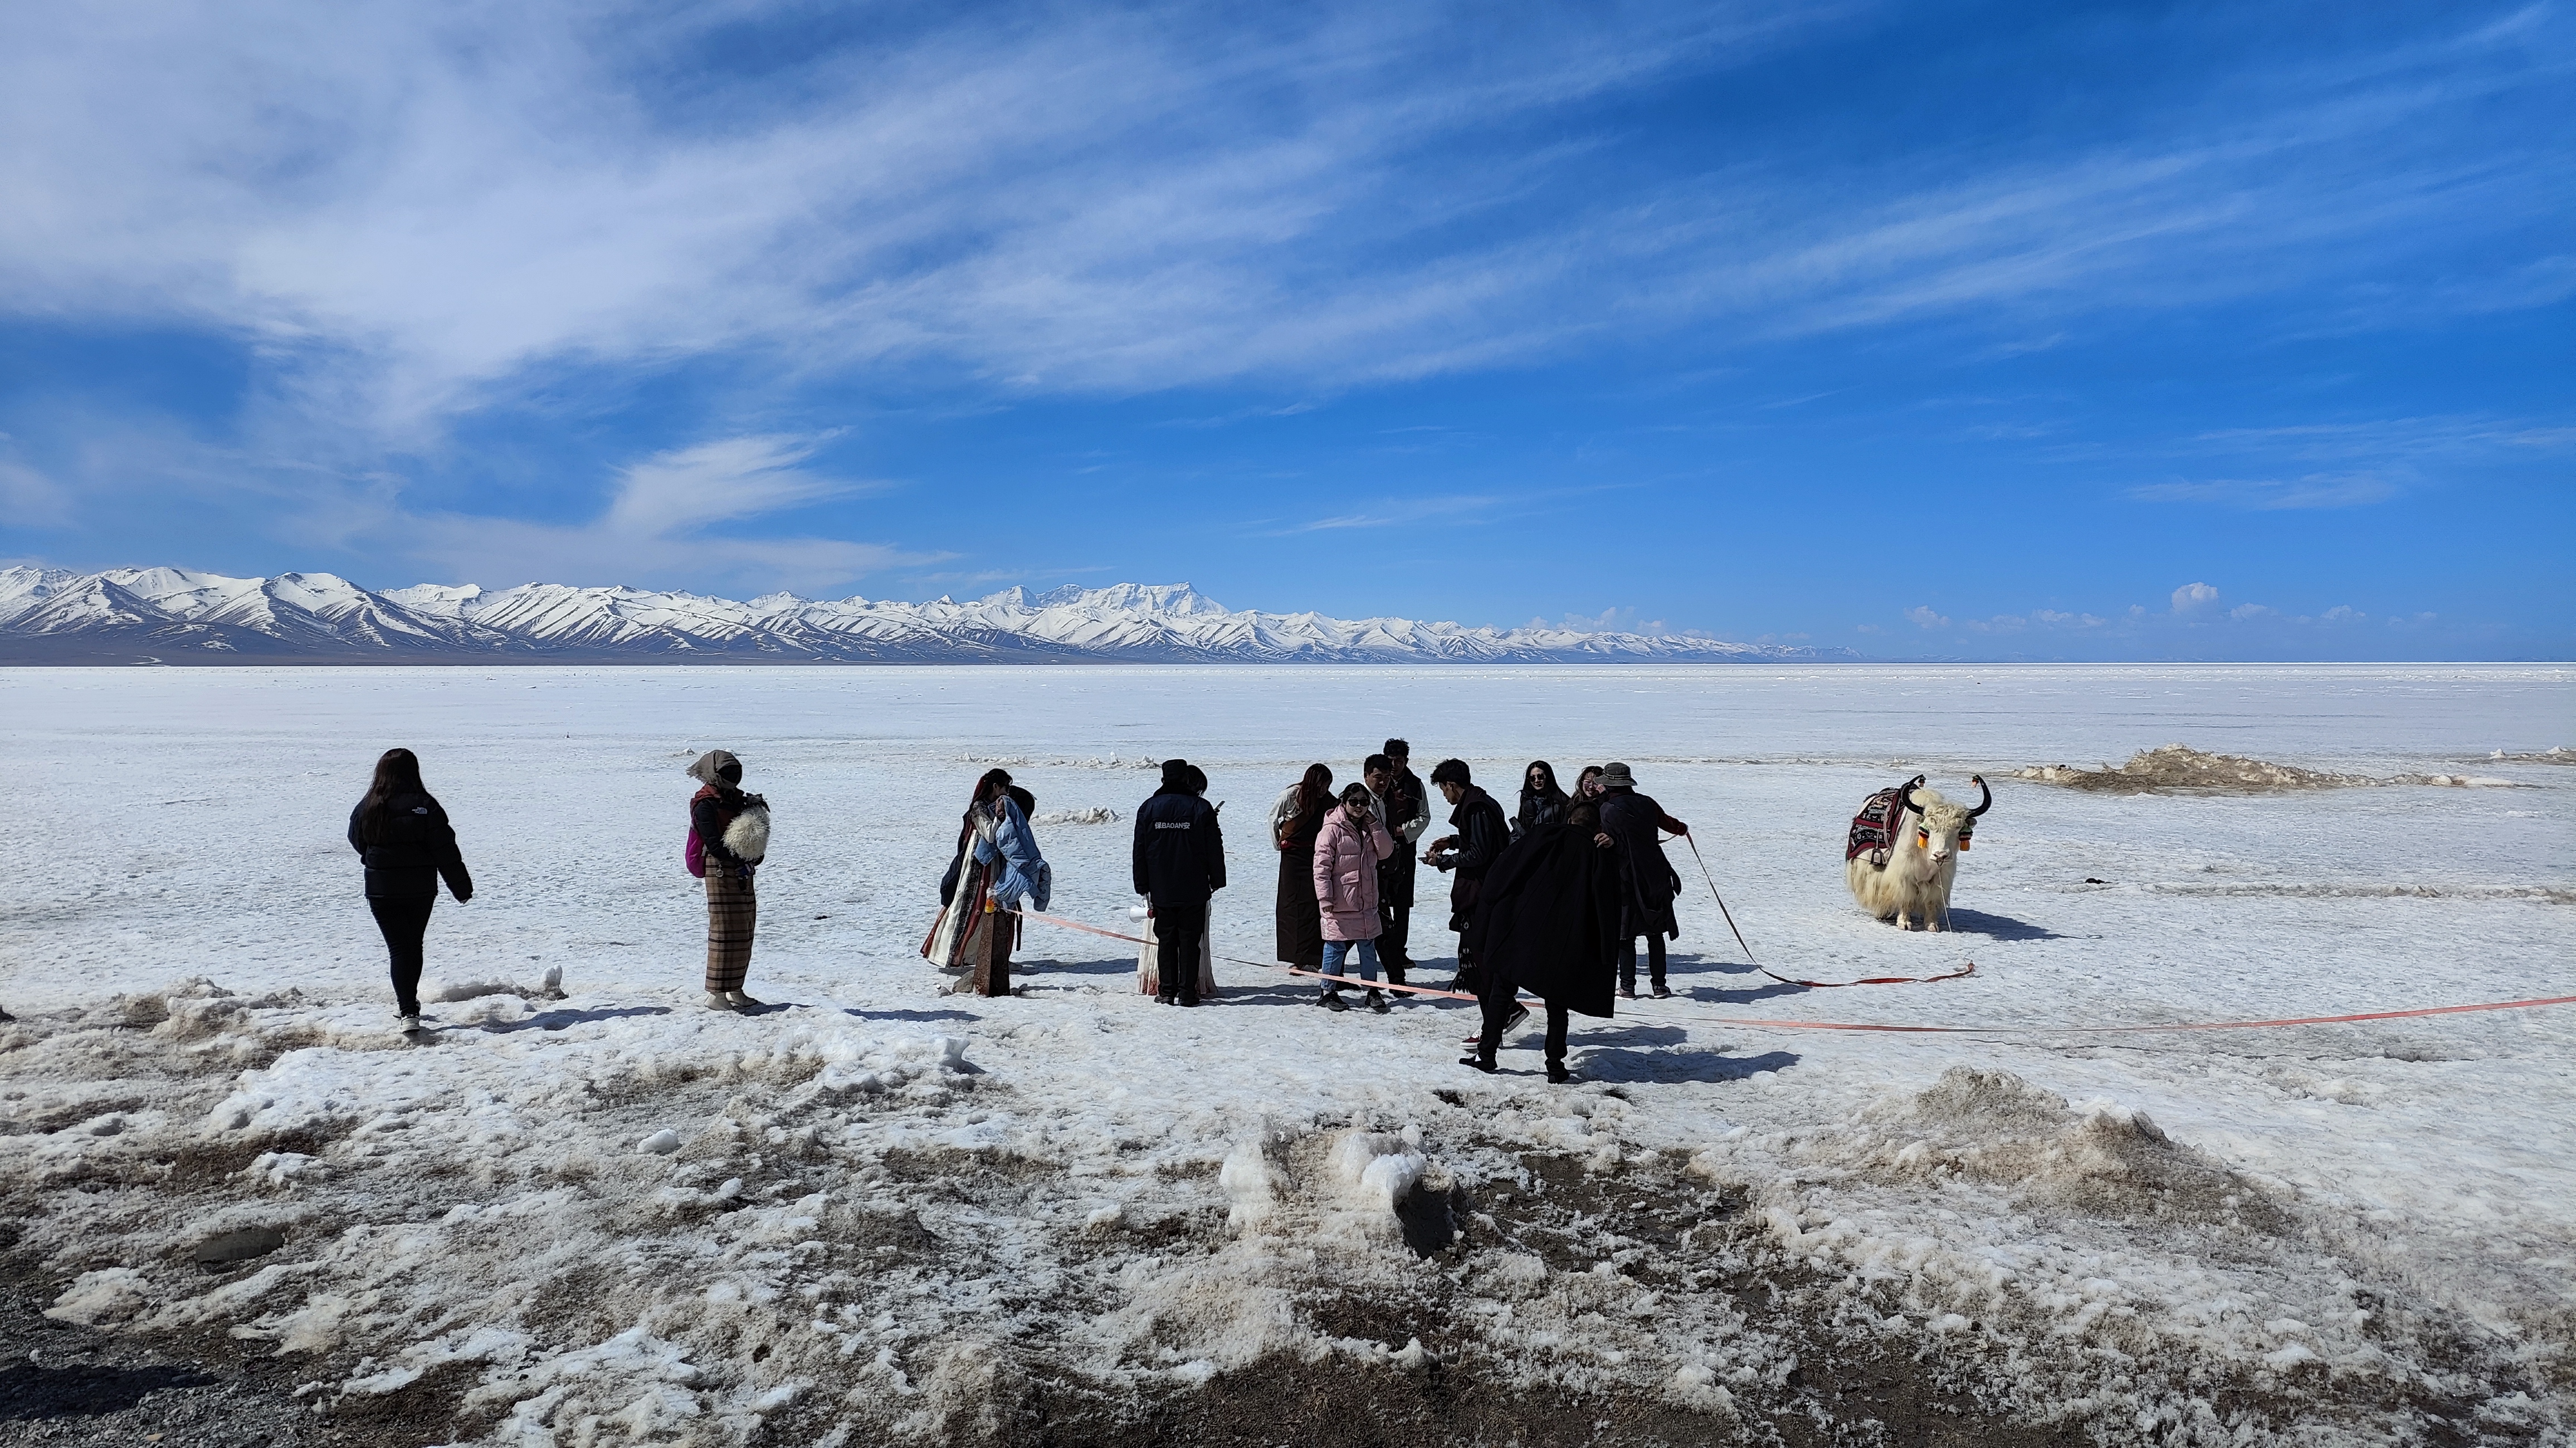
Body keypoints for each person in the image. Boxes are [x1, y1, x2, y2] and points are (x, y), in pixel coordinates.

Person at [1458, 804, 1621, 1082]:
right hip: (1565, 940)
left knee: (1501, 991)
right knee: (1558, 1004)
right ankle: (1555, 1065)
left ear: (1570, 818)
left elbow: (1505, 870)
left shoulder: (1544, 835)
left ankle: (1487, 1056)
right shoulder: (1597, 854)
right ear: (1597, 829)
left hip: (1522, 927)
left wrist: (1491, 910)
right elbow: (1608, 903)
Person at [347, 748, 472, 1033]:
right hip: (420, 889)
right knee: (411, 946)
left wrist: (376, 859)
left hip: (382, 890)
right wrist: (461, 888)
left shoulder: (368, 806)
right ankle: (408, 1008)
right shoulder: (426, 805)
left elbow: (357, 840)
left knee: (399, 948)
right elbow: (445, 850)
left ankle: (408, 1007)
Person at [1134, 757, 1227, 1006]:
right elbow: (1214, 847)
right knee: (1189, 940)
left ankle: (1167, 991)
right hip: (1194, 885)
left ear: (1163, 780)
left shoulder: (1149, 808)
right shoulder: (1201, 808)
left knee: (1166, 939)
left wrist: (1142, 884)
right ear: (1186, 780)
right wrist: (1217, 879)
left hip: (1162, 887)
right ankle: (1187, 993)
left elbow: (1140, 850)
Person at [1596, 761, 1688, 999]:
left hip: (1625, 877)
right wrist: (1683, 828)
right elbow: (1672, 825)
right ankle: (1659, 986)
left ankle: (1627, 987)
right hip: (1655, 874)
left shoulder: (1606, 809)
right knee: (1655, 933)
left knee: (1625, 935)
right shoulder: (1647, 803)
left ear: (1608, 785)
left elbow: (1609, 844)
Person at [688, 750, 768, 1010]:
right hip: (720, 868)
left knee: (743, 930)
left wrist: (753, 854)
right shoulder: (706, 804)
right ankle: (716, 994)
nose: (734, 777)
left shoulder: (737, 800)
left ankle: (735, 988)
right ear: (714, 773)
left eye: (737, 771)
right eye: (727, 772)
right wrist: (741, 857)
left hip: (740, 867)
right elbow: (714, 842)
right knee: (724, 930)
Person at [1423, 759, 1509, 991]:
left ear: (1451, 785)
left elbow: (1479, 854)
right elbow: (1484, 842)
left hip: (1482, 888)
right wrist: (1452, 842)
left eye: (1443, 789)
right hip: (1488, 886)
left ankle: (1500, 1005)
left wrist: (1443, 861)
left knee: (1479, 951)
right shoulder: (1481, 802)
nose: (1444, 795)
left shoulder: (1476, 808)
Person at [1311, 782, 1397, 1014]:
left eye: (1364, 802)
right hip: (1340, 901)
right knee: (1335, 946)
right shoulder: (1331, 829)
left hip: (1366, 899)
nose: (1359, 807)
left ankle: (1372, 991)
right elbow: (1321, 868)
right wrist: (1325, 899)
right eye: (1354, 802)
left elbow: (1386, 851)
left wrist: (1375, 824)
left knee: (1368, 946)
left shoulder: (1370, 827)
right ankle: (1327, 992)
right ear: (1344, 802)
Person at [968, 772, 1051, 996]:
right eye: (1004, 788)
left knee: (1002, 906)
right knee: (980, 906)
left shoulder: (998, 805)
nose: (1006, 793)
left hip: (1001, 861)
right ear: (995, 787)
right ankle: (972, 955)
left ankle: (999, 955)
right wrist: (1000, 818)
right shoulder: (979, 808)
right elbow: (991, 835)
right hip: (983, 866)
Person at [1366, 749, 1431, 984]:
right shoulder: (1373, 787)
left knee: (1402, 902)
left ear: (1406, 761)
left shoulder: (1415, 785)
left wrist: (1403, 830)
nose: (1394, 765)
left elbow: (1424, 815)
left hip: (1404, 849)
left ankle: (1399, 952)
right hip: (1376, 854)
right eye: (1391, 760)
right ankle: (1377, 952)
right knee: (1377, 902)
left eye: (1399, 761)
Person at [1267, 763, 1334, 974]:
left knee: (1315, 906)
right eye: (1322, 785)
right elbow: (1273, 818)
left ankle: (1314, 956)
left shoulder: (1329, 801)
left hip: (1317, 856)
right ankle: (1295, 956)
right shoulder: (1292, 795)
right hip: (1294, 858)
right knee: (1293, 905)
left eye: (1327, 786)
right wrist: (1278, 843)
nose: (1324, 790)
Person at [1512, 761, 1569, 840]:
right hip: (1529, 847)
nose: (1537, 781)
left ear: (1548, 777)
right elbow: (1521, 827)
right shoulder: (1527, 800)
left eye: (1541, 777)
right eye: (1532, 778)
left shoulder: (1562, 802)